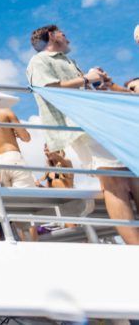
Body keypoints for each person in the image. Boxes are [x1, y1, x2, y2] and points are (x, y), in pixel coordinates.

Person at [27, 24, 139, 245]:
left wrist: (101, 82)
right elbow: (48, 87)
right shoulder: (39, 60)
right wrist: (87, 78)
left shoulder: (67, 61)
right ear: (51, 36)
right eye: (63, 34)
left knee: (130, 173)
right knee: (114, 180)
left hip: (92, 123)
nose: (67, 38)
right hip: (79, 125)